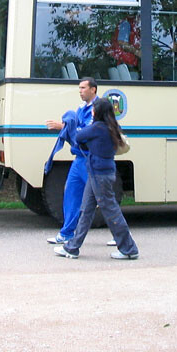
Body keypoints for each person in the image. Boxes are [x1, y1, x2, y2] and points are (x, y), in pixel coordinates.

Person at [54, 97, 139, 260]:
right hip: (100, 172)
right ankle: (72, 247)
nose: (91, 111)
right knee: (86, 210)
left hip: (99, 174)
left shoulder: (97, 127)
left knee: (110, 209)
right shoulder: (110, 126)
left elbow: (79, 137)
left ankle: (129, 248)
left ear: (97, 112)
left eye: (93, 109)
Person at [45, 77, 98, 245]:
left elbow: (86, 131)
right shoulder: (81, 108)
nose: (80, 91)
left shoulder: (99, 108)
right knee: (71, 195)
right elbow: (76, 131)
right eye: (79, 88)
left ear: (93, 90)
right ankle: (67, 233)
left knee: (104, 199)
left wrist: (63, 127)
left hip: (92, 160)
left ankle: (119, 236)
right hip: (79, 160)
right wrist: (68, 126)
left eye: (83, 88)